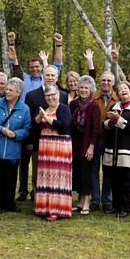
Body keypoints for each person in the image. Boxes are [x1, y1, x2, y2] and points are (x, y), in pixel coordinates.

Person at [21, 65, 68, 203]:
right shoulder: (32, 95)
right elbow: (29, 121)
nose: (50, 78)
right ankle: (37, 196)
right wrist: (29, 141)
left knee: (54, 172)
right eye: (47, 75)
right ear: (43, 76)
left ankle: (54, 197)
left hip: (58, 142)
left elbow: (64, 120)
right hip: (38, 141)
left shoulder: (63, 95)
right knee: (38, 172)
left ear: (57, 77)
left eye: (53, 75)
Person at [102, 81, 130, 218]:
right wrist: (110, 122)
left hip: (127, 150)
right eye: (120, 90)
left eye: (125, 88)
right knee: (114, 178)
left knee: (126, 180)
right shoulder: (115, 106)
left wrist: (119, 120)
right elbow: (106, 126)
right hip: (113, 150)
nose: (123, 91)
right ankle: (116, 205)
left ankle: (125, 207)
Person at [0, 77, 30, 214]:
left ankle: (10, 204)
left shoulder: (24, 109)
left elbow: (27, 128)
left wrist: (16, 134)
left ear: (19, 93)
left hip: (14, 150)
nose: (7, 92)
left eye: (11, 90)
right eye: (7, 89)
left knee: (11, 178)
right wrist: (1, 129)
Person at [33, 83, 73, 221]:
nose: (50, 98)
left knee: (58, 177)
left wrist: (47, 118)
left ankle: (57, 209)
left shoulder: (64, 109)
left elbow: (63, 126)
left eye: (53, 95)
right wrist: (39, 117)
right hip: (45, 148)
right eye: (47, 96)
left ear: (58, 95)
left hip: (60, 147)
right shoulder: (43, 109)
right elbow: (35, 124)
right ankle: (43, 207)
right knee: (46, 176)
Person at [69, 75, 101, 216]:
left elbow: (95, 128)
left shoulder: (94, 106)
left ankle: (87, 202)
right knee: (77, 172)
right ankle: (80, 201)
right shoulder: (73, 104)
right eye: (81, 87)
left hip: (87, 142)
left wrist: (91, 146)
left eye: (86, 88)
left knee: (86, 172)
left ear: (91, 90)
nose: (83, 90)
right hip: (75, 142)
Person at [90, 66, 119, 213]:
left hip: (111, 141)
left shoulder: (118, 98)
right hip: (96, 140)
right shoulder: (93, 97)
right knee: (94, 170)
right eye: (103, 80)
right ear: (99, 82)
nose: (106, 83)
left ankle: (107, 200)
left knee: (108, 172)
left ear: (113, 83)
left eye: (109, 80)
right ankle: (95, 199)